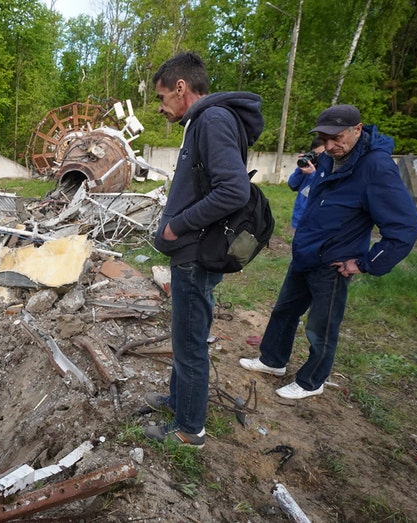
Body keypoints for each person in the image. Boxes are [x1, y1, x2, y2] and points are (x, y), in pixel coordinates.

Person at [239, 105, 417, 399]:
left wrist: (366, 263)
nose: (330, 145)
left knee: (321, 326)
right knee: (284, 311)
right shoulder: (329, 157)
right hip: (306, 254)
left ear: (357, 129)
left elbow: (406, 225)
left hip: (334, 262)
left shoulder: (376, 167)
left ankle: (312, 381)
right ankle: (273, 360)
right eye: (324, 138)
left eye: (337, 138)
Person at [143, 52, 265, 447]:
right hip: (194, 250)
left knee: (191, 342)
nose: (161, 108)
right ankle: (179, 401)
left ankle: (189, 429)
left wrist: (177, 225)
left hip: (196, 251)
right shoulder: (206, 121)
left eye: (162, 98)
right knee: (185, 336)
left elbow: (233, 189)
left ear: (181, 88)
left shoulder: (212, 120)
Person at [287, 137, 325, 230]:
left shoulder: (328, 170)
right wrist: (300, 169)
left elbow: (320, 191)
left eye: (321, 154)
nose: (318, 158)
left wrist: (312, 175)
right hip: (299, 220)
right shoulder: (308, 168)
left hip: (316, 223)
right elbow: (292, 184)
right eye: (315, 154)